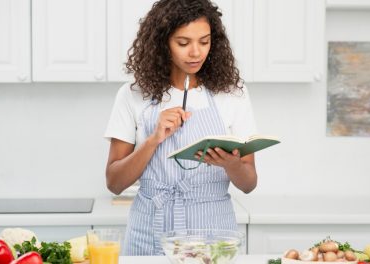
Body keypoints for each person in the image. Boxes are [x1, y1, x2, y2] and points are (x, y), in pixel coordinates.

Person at [104, 0, 257, 256]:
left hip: (213, 235)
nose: (196, 52)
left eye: (204, 42)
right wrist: (154, 139)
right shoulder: (132, 95)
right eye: (183, 43)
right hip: (149, 232)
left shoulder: (232, 95)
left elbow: (249, 183)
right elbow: (114, 182)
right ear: (163, 43)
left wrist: (230, 164)